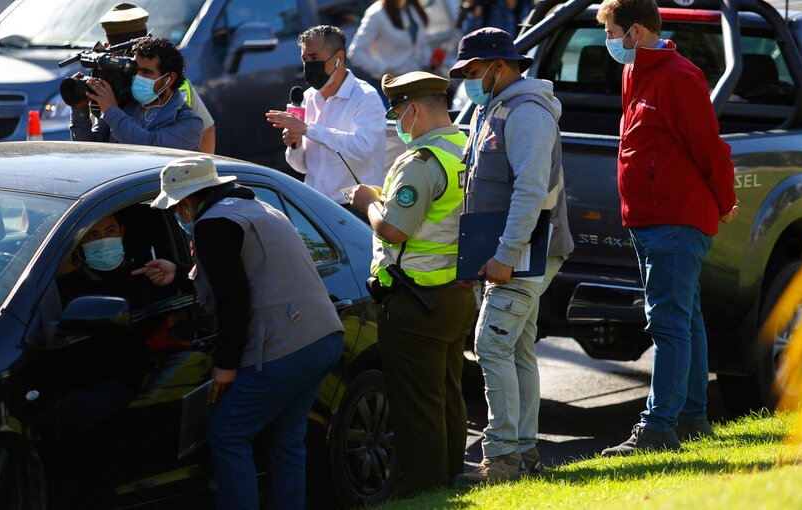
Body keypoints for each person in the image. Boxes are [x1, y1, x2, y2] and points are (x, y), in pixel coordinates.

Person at [148, 156, 344, 510]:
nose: (178, 215)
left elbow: (233, 299)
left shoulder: (211, 224)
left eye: (176, 207)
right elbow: (238, 273)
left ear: (188, 202)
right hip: (322, 335)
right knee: (286, 442)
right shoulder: (254, 208)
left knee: (227, 434)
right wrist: (179, 273)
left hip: (285, 347)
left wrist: (226, 365)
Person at [595, 0, 738, 456]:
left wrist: (726, 200)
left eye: (612, 32)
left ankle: (658, 428)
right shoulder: (634, 70)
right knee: (685, 317)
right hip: (652, 218)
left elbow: (708, 147)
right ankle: (692, 418)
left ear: (635, 31)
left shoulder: (678, 76)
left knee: (668, 321)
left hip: (674, 220)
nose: (608, 42)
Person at [449, 27, 574, 485]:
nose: (467, 79)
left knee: (491, 344)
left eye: (473, 70)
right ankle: (523, 454)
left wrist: (504, 254)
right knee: (517, 349)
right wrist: (475, 260)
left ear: (499, 67)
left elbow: (530, 192)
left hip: (524, 252)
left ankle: (501, 460)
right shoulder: (495, 108)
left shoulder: (526, 113)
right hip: (514, 251)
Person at [349, 71, 475, 495]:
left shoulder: (421, 162)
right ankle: (450, 477)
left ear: (414, 109)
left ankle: (421, 488)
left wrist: (369, 204)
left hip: (416, 298)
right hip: (455, 293)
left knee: (415, 405)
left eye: (399, 113)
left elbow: (395, 230)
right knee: (447, 395)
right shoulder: (464, 148)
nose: (398, 123)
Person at [265, 25, 385, 219]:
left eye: (314, 58)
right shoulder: (307, 98)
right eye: (305, 59)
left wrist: (307, 129)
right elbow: (301, 167)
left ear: (338, 58)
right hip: (314, 206)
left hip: (355, 209)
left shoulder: (365, 97)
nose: (309, 66)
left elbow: (363, 148)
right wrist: (295, 145)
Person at [98, 2, 217, 153]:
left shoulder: (171, 83)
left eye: (145, 71)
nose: (138, 76)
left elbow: (206, 131)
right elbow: (96, 143)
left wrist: (201, 172)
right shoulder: (109, 79)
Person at [70, 37, 203, 151]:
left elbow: (149, 147)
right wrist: (79, 108)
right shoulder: (125, 105)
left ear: (169, 79)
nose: (137, 77)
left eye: (146, 73)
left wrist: (111, 110)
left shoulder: (189, 124)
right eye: (135, 71)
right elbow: (89, 150)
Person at [56, 213, 183, 309]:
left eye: (110, 231)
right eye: (92, 235)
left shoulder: (149, 281)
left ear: (121, 232)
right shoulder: (63, 292)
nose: (104, 241)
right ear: (78, 243)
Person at [348, 0, 431, 107]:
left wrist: (429, 64)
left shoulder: (413, 7)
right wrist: (384, 70)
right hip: (391, 90)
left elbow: (421, 44)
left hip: (417, 86)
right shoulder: (377, 13)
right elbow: (356, 53)